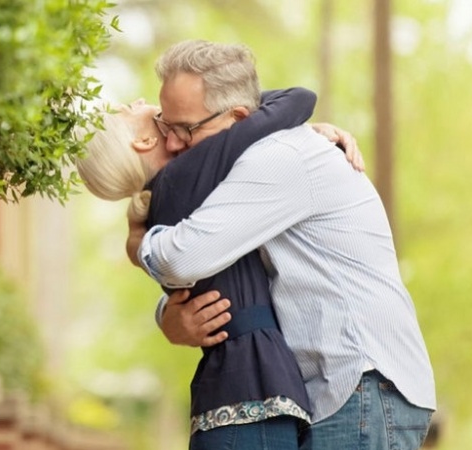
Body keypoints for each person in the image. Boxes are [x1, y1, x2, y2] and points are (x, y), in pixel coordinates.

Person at [134, 39, 436, 450]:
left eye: (184, 129)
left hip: (361, 385)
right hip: (350, 390)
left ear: (238, 116)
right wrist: (168, 314)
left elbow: (182, 258)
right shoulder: (266, 151)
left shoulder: (277, 159)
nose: (173, 144)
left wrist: (137, 238)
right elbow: (232, 275)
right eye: (165, 127)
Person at [77, 84, 362, 448]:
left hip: (240, 394)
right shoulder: (187, 176)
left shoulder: (171, 200)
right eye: (125, 110)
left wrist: (300, 138)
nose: (136, 101)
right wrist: (295, 133)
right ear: (144, 142)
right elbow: (296, 99)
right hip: (251, 393)